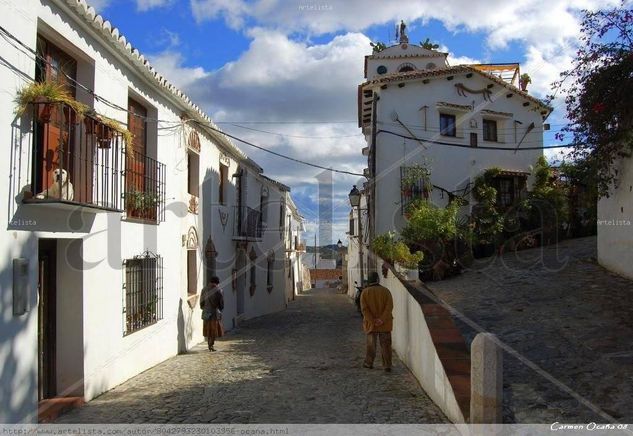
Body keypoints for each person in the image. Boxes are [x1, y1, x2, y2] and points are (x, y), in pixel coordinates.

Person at [360, 272, 393, 372]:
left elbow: (364, 309)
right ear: (378, 280)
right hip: (385, 323)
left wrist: (372, 321)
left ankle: (369, 363)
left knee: (371, 345)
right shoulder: (386, 291)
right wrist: (381, 319)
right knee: (386, 345)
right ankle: (387, 365)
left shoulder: (365, 292)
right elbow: (389, 307)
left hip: (371, 325)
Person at [200, 276, 224, 351]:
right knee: (214, 329)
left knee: (208, 329)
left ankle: (209, 343)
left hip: (206, 312)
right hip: (214, 312)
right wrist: (220, 309)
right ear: (217, 282)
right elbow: (221, 303)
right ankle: (211, 344)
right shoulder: (219, 290)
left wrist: (203, 308)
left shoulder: (204, 289)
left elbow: (201, 302)